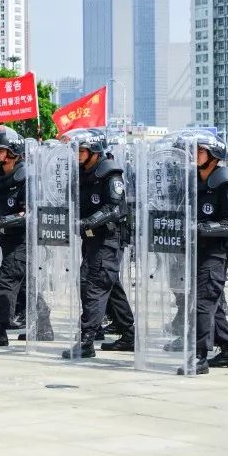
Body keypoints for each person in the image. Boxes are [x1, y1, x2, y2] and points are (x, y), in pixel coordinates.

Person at [62, 128, 135, 359]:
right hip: (91, 238)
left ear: (94, 150)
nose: (77, 154)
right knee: (109, 285)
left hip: (108, 237)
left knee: (92, 284)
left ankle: (87, 341)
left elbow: (115, 208)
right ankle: (129, 334)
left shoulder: (110, 172)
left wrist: (88, 221)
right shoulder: (81, 171)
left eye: (81, 150)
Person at [180, 132, 228, 374]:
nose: (194, 155)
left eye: (200, 151)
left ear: (214, 155)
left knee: (203, 303)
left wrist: (203, 228)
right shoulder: (193, 179)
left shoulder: (227, 182)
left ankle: (200, 357)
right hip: (195, 250)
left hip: (215, 253)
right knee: (209, 301)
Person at [0, 128, 39, 347]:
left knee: (6, 281)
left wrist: (3, 221)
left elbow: (30, 213)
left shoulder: (28, 176)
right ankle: (42, 324)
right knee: (22, 285)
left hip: (23, 239)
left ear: (13, 151)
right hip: (6, 239)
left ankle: (0, 330)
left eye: (1, 150)